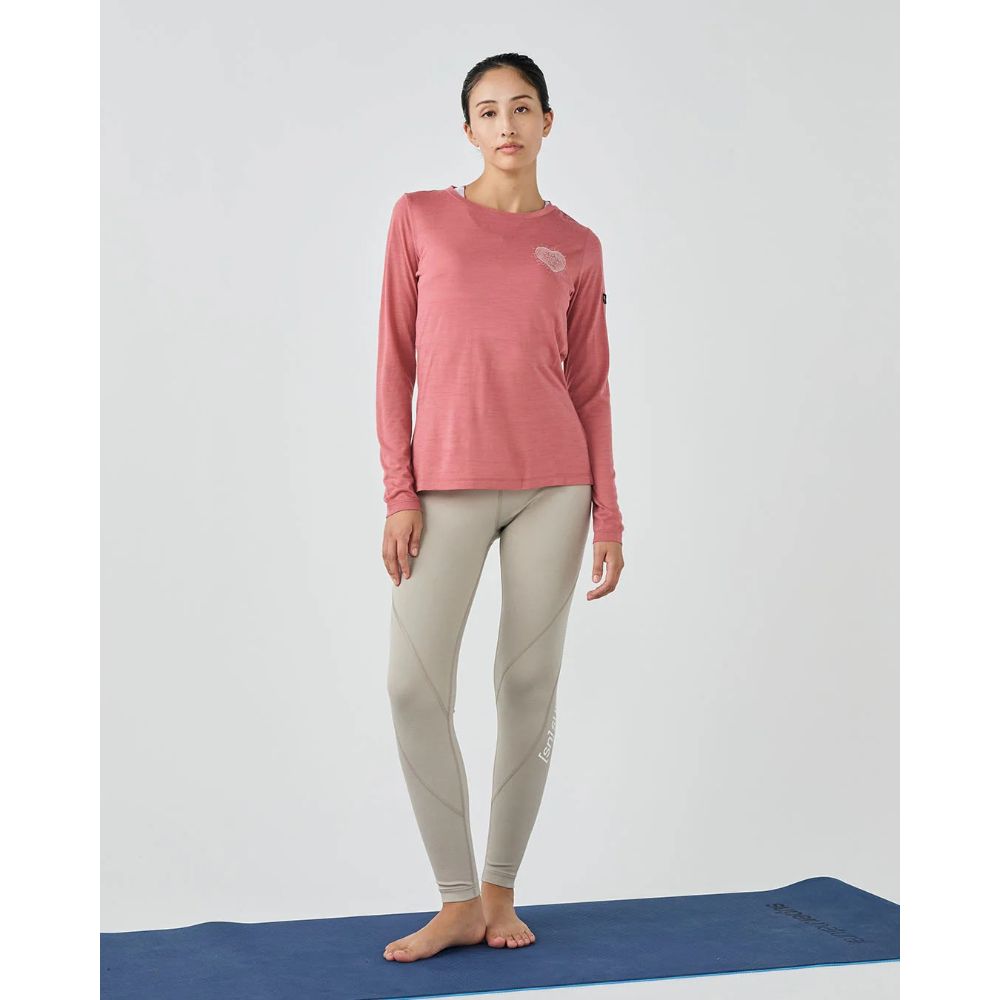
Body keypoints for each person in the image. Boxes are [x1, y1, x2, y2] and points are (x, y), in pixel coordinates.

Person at [376, 53, 625, 963]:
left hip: (555, 486)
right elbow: (394, 362)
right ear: (468, 128)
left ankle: (498, 890)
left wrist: (609, 514)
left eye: (522, 108)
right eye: (488, 110)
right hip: (443, 487)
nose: (506, 124)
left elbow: (591, 386)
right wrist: (399, 492)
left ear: (547, 122)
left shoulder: (578, 245)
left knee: (526, 686)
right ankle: (454, 902)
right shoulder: (420, 218)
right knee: (413, 687)